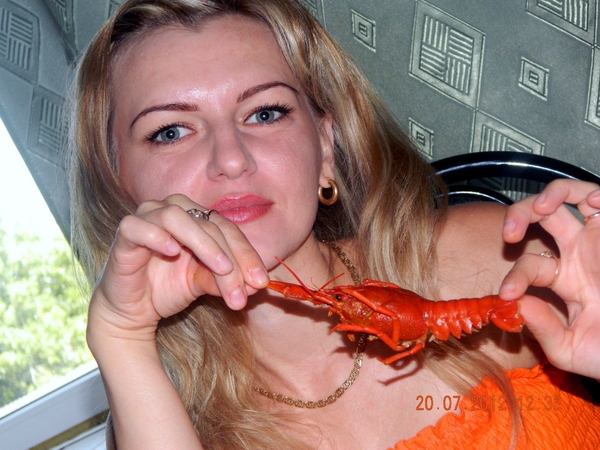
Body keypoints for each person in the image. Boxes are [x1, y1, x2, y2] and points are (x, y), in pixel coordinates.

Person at [69, 0, 600, 448]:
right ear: (117, 186)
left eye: (265, 112)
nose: (230, 159)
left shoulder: (499, 260)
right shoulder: (156, 410)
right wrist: (120, 335)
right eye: (170, 131)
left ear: (325, 147)